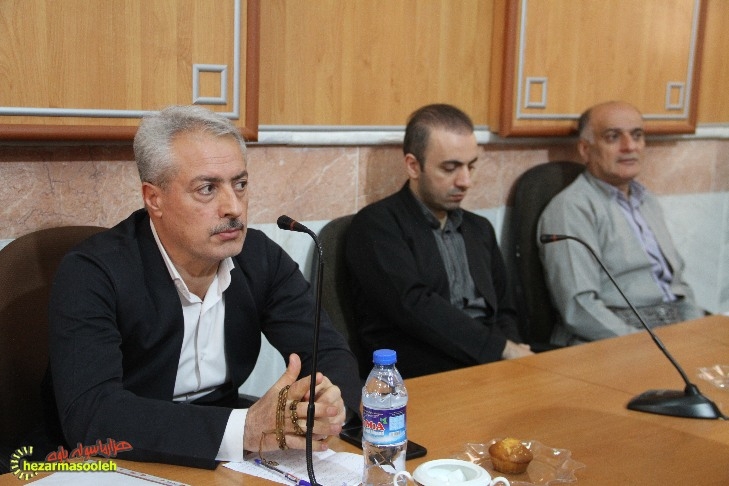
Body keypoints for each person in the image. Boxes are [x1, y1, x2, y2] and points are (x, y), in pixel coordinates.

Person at [47, 105, 360, 469]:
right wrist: (243, 430)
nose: (233, 207)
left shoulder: (260, 258)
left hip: (223, 455)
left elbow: (327, 352)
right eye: (207, 189)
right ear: (154, 198)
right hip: (116, 461)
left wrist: (327, 403)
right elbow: (92, 414)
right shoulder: (92, 272)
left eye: (240, 184)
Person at [345, 103, 532, 379]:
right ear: (413, 166)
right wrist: (502, 349)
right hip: (424, 371)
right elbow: (415, 307)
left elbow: (504, 310)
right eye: (450, 168)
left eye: (471, 166)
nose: (465, 181)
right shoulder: (377, 225)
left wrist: (515, 356)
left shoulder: (479, 228)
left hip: (492, 364)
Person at [537, 100, 704, 346]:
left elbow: (678, 285)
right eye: (613, 137)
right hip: (613, 337)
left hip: (672, 327)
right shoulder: (571, 208)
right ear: (585, 149)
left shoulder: (647, 200)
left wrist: (698, 332)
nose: (629, 146)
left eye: (637, 135)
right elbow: (579, 307)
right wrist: (645, 345)